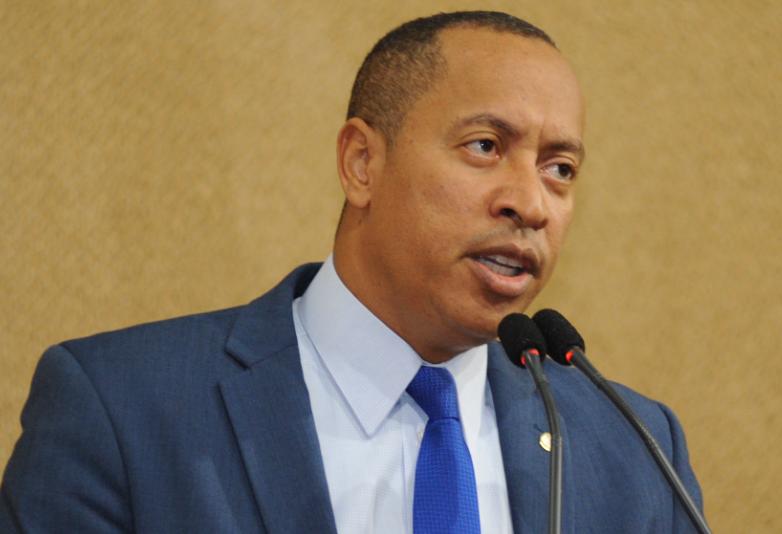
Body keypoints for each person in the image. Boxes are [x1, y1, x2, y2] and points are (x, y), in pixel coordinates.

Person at [1, 11, 703, 533]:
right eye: (486, 146)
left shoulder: (634, 447)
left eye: (561, 169)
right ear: (362, 163)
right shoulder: (122, 410)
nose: (531, 203)